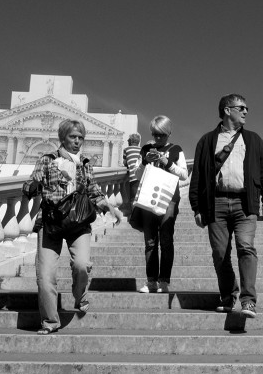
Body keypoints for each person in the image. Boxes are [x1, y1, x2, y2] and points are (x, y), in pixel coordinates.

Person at [23, 119, 122, 335]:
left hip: (78, 221)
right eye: (72, 137)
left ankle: (80, 295)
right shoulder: (47, 160)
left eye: (80, 138)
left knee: (81, 265)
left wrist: (108, 206)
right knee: (46, 274)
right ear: (63, 138)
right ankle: (50, 321)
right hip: (51, 221)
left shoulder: (85, 163)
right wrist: (33, 186)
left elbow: (93, 190)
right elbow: (30, 185)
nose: (77, 141)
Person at [189, 94, 263, 319]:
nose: (246, 111)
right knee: (220, 253)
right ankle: (228, 294)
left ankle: (248, 300)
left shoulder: (254, 139)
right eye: (241, 108)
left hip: (245, 203)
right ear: (227, 110)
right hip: (215, 203)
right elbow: (197, 174)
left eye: (247, 108)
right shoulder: (207, 140)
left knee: (246, 247)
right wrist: (197, 207)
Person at [137, 115, 188, 294]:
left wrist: (168, 163)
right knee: (150, 241)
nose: (158, 138)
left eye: (161, 135)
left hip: (169, 198)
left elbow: (184, 175)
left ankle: (164, 280)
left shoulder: (176, 149)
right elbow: (136, 174)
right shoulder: (145, 149)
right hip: (148, 197)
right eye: (155, 134)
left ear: (168, 133)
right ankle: (151, 281)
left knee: (166, 240)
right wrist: (145, 162)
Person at [122, 132, 142, 213]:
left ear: (130, 141)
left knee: (133, 198)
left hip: (133, 177)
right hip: (142, 176)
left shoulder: (127, 149)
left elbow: (125, 162)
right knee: (141, 198)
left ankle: (133, 216)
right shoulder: (141, 150)